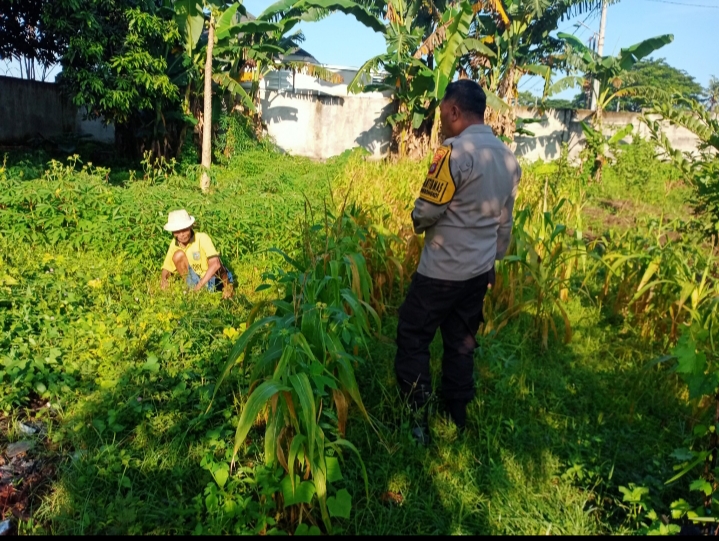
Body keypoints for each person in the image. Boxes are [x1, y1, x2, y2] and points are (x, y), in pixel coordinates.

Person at [395, 79, 522, 445]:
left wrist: (418, 221)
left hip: (440, 270)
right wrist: (493, 263)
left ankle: (416, 417)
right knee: (461, 340)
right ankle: (456, 412)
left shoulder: (452, 153)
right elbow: (505, 221)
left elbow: (427, 212)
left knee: (414, 336)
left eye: (442, 114)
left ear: (453, 111)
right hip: (478, 272)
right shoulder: (508, 158)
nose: (441, 122)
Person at [160, 209, 234, 298]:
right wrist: (164, 279)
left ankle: (228, 287)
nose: (181, 234)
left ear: (190, 226)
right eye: (177, 231)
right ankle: (192, 289)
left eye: (184, 230)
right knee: (178, 255)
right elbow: (166, 268)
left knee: (215, 261)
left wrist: (199, 286)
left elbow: (216, 264)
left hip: (212, 278)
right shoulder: (174, 243)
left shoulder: (202, 238)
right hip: (194, 279)